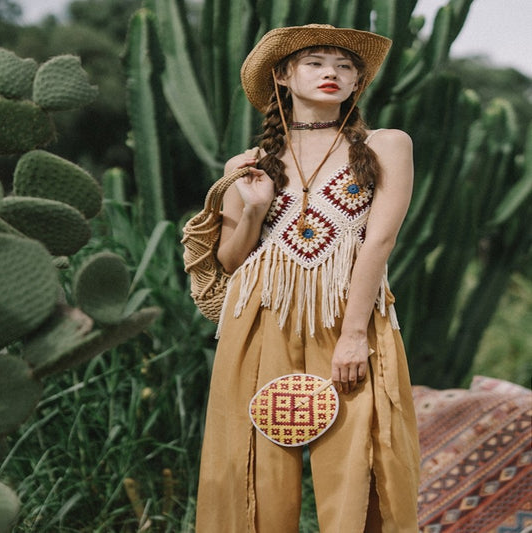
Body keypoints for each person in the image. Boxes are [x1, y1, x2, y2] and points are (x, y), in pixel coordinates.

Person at [195, 24, 420, 532]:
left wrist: (355, 334)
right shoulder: (248, 164)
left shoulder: (387, 145)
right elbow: (231, 262)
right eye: (316, 63)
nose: (331, 74)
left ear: (357, 82)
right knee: (254, 462)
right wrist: (253, 210)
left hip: (348, 315)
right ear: (283, 75)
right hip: (260, 317)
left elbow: (379, 242)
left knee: (363, 456)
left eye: (344, 67)